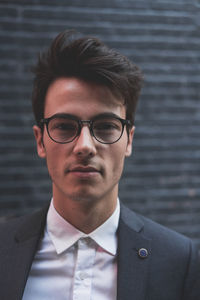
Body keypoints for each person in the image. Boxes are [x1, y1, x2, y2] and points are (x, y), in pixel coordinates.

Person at [0, 30, 199, 300]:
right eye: (64, 126)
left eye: (105, 127)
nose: (85, 146)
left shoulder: (180, 261)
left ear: (128, 141)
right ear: (40, 141)